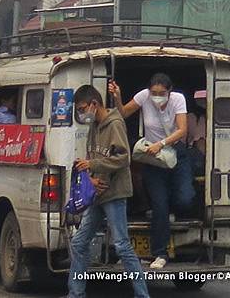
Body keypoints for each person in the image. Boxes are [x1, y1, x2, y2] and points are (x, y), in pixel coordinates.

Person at [69, 85, 149, 298]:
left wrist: (93, 165)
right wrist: (91, 179)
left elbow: (123, 158)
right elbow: (92, 159)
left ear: (94, 104)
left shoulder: (115, 124)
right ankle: (75, 294)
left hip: (114, 194)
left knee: (122, 245)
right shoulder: (94, 126)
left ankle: (142, 295)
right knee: (78, 242)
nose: (82, 113)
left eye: (83, 108)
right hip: (98, 195)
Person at [109, 73, 195, 270]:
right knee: (159, 206)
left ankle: (170, 213)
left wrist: (161, 143)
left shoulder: (178, 100)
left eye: (161, 93)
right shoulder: (143, 97)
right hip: (153, 158)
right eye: (154, 92)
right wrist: (117, 97)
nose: (157, 96)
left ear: (169, 91)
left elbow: (182, 130)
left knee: (185, 198)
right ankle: (160, 253)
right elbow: (122, 114)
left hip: (175, 153)